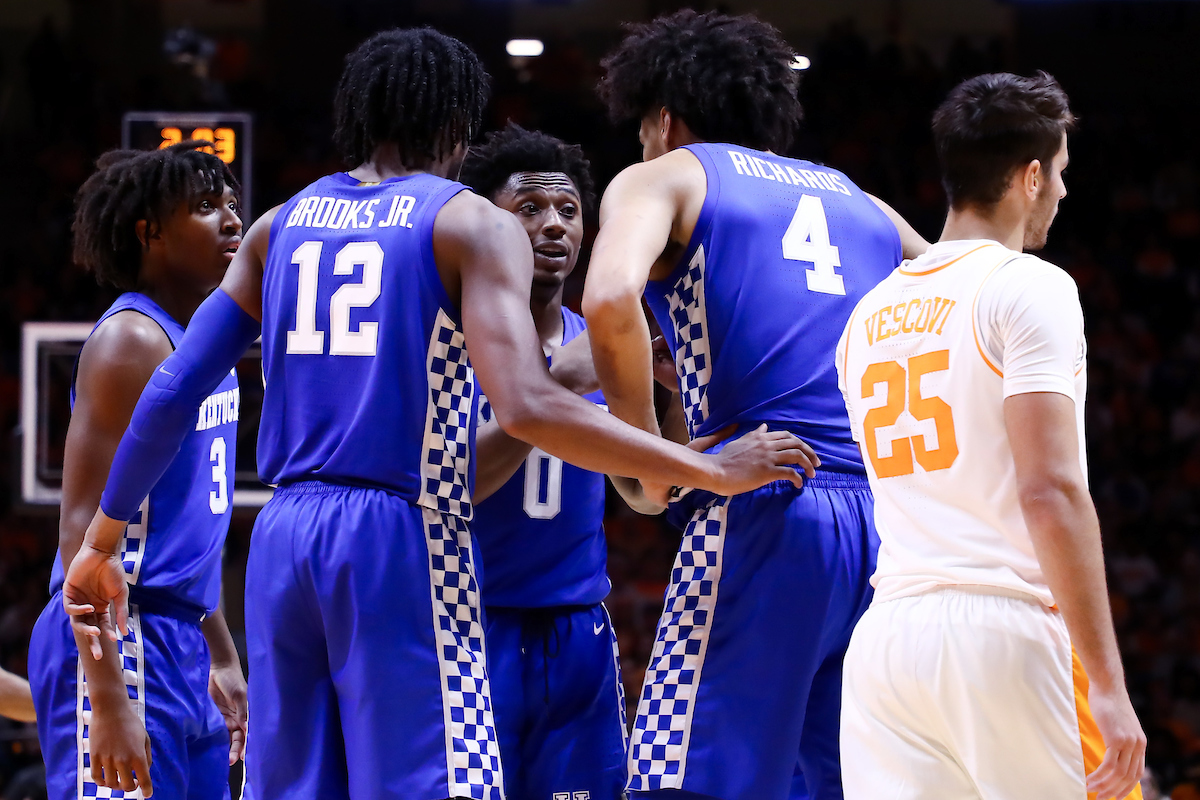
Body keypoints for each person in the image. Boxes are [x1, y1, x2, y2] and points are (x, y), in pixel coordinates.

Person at [62, 29, 816, 800]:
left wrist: (101, 540)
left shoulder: (279, 223)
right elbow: (526, 407)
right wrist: (706, 467)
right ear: (457, 124)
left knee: (294, 786)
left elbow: (173, 389)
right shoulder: (466, 221)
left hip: (283, 539)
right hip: (403, 529)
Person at [583, 10, 929, 800]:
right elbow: (965, 297)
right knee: (840, 780)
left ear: (664, 118)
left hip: (764, 500)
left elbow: (606, 298)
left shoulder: (667, 175)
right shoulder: (864, 203)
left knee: (684, 778)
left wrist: (649, 460)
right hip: (882, 526)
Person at [836, 71, 1145, 800]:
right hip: (1005, 629)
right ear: (1030, 176)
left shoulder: (866, 316)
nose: (1062, 192)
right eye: (1059, 172)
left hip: (888, 642)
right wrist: (1108, 682)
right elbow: (1051, 489)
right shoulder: (1030, 285)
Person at [27, 143, 248, 799]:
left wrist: (222, 653)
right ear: (149, 233)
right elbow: (79, 529)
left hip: (181, 637)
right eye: (205, 206)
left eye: (232, 203)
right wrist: (105, 694)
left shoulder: (206, 350)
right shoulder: (132, 339)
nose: (232, 220)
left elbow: (189, 532)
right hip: (116, 635)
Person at [461, 122, 667, 800]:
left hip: (577, 627)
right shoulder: (447, 340)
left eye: (569, 210)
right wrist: (557, 387)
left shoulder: (604, 343)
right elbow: (451, 484)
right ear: (486, 224)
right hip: (468, 623)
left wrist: (677, 400)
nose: (554, 224)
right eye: (530, 208)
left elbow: (643, 495)